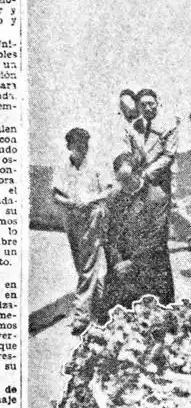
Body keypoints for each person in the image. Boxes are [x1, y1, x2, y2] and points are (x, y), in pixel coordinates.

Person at [52, 127, 113, 334]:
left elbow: (108, 190)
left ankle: (81, 316)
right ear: (69, 146)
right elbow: (56, 194)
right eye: (78, 145)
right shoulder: (63, 167)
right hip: (72, 219)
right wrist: (69, 202)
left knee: (88, 266)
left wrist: (90, 199)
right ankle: (103, 308)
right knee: (85, 266)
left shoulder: (96, 165)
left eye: (85, 144)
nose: (82, 149)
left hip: (93, 218)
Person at [102, 152, 174, 313]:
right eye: (120, 180)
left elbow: (157, 237)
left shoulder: (157, 197)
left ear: (139, 173)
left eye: (127, 179)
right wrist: (117, 261)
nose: (124, 184)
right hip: (121, 271)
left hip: (150, 271)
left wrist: (133, 262)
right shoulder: (114, 197)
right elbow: (110, 234)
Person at [126, 88, 178, 196]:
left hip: (162, 178)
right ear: (138, 107)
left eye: (151, 104)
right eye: (143, 105)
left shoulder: (169, 125)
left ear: (157, 103)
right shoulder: (135, 126)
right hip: (140, 179)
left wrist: (147, 173)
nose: (148, 108)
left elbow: (168, 155)